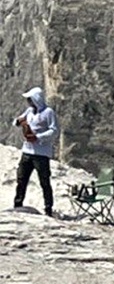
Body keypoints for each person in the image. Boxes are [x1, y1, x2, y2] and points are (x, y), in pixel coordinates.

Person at [12, 87, 58, 217]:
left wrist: (38, 137)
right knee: (21, 179)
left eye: (30, 99)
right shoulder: (29, 111)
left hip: (41, 153)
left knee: (44, 181)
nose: (28, 102)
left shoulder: (48, 112)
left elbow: (54, 130)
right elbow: (16, 121)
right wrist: (18, 122)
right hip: (27, 151)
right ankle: (18, 204)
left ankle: (48, 208)